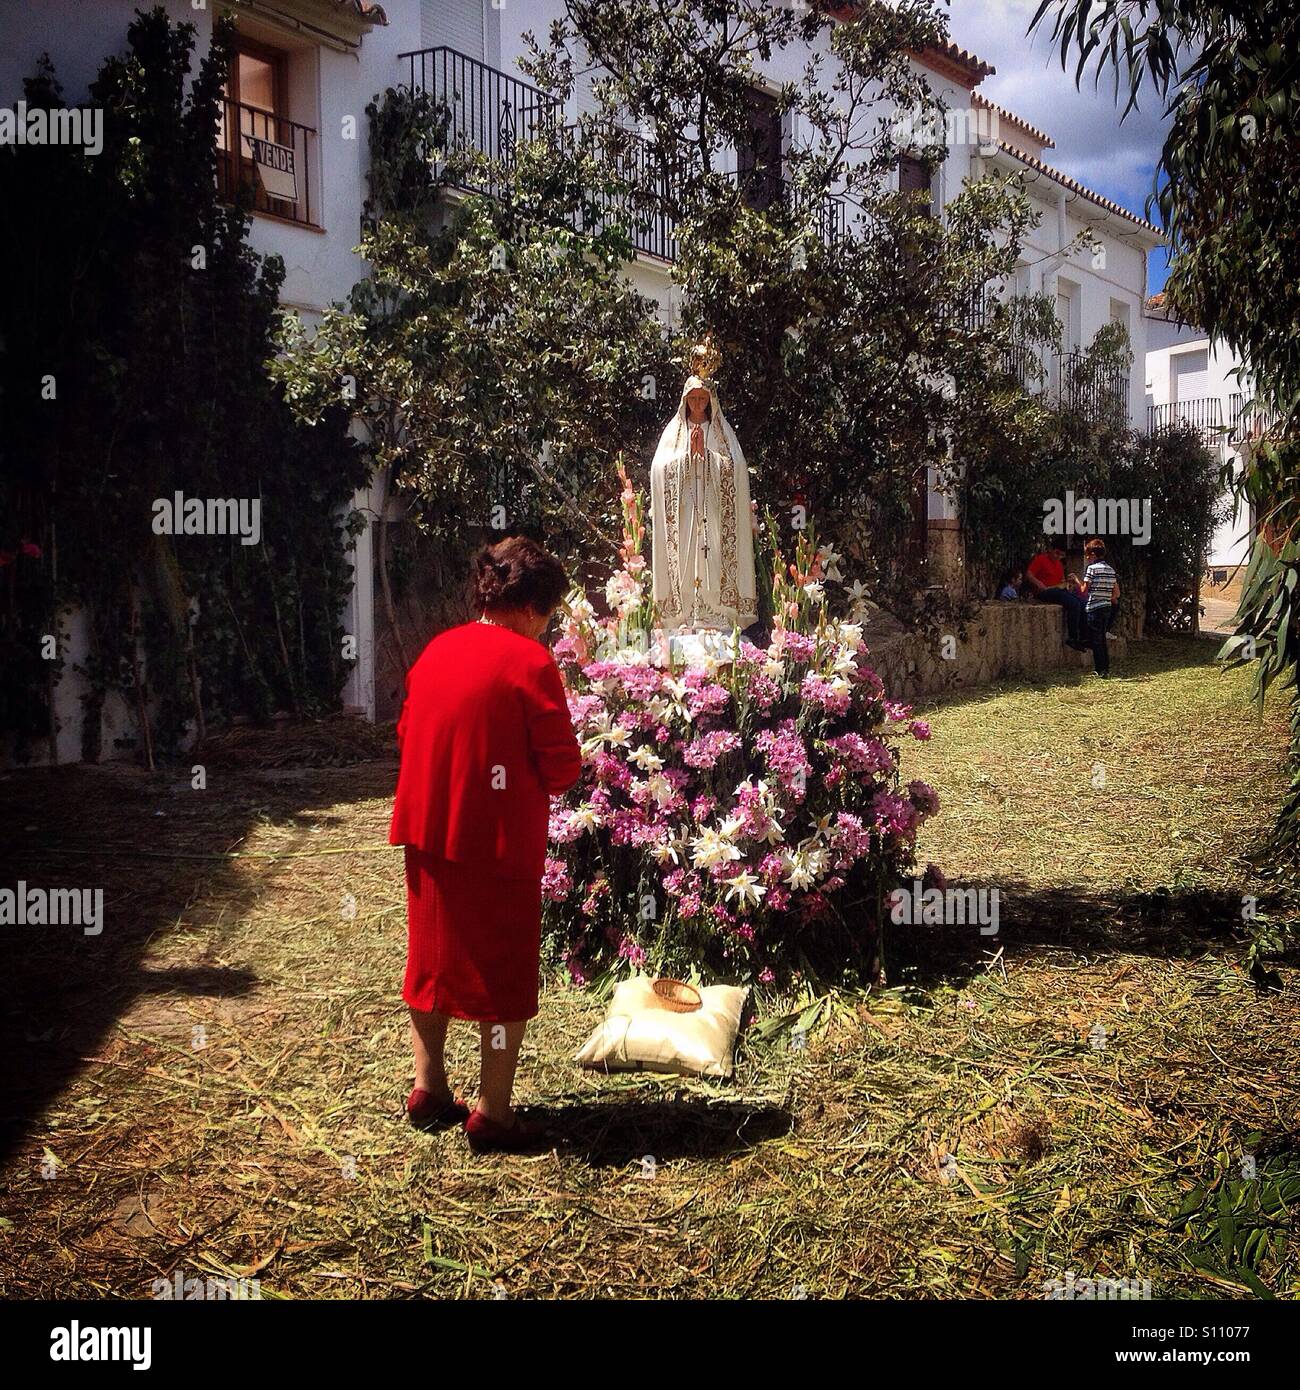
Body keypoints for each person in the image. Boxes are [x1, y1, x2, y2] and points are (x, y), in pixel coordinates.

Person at [389, 536, 582, 1153]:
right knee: (501, 977)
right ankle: (493, 1114)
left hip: (427, 832)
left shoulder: (435, 651)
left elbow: (406, 731)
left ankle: (429, 1086)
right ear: (531, 607)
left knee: (432, 962)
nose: (546, 629)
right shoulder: (530, 664)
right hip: (497, 841)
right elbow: (560, 767)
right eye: (548, 615)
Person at [1024, 542, 1087, 648]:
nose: (1058, 556)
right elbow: (1029, 574)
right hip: (1045, 591)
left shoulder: (1059, 564)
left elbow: (1061, 580)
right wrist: (1040, 584)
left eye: (1061, 555)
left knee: (1083, 603)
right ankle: (1072, 637)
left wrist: (1067, 584)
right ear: (1051, 549)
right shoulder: (1041, 559)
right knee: (1074, 604)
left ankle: (1084, 637)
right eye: (1057, 553)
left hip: (1057, 589)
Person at [1078, 536, 1120, 677]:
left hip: (1094, 608)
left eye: (1088, 556)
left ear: (1093, 555)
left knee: (1096, 640)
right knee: (1101, 639)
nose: (1087, 558)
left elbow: (1084, 590)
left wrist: (1076, 581)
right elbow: (1116, 592)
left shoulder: (1092, 569)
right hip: (1106, 607)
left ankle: (1100, 670)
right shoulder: (1110, 570)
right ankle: (1105, 668)